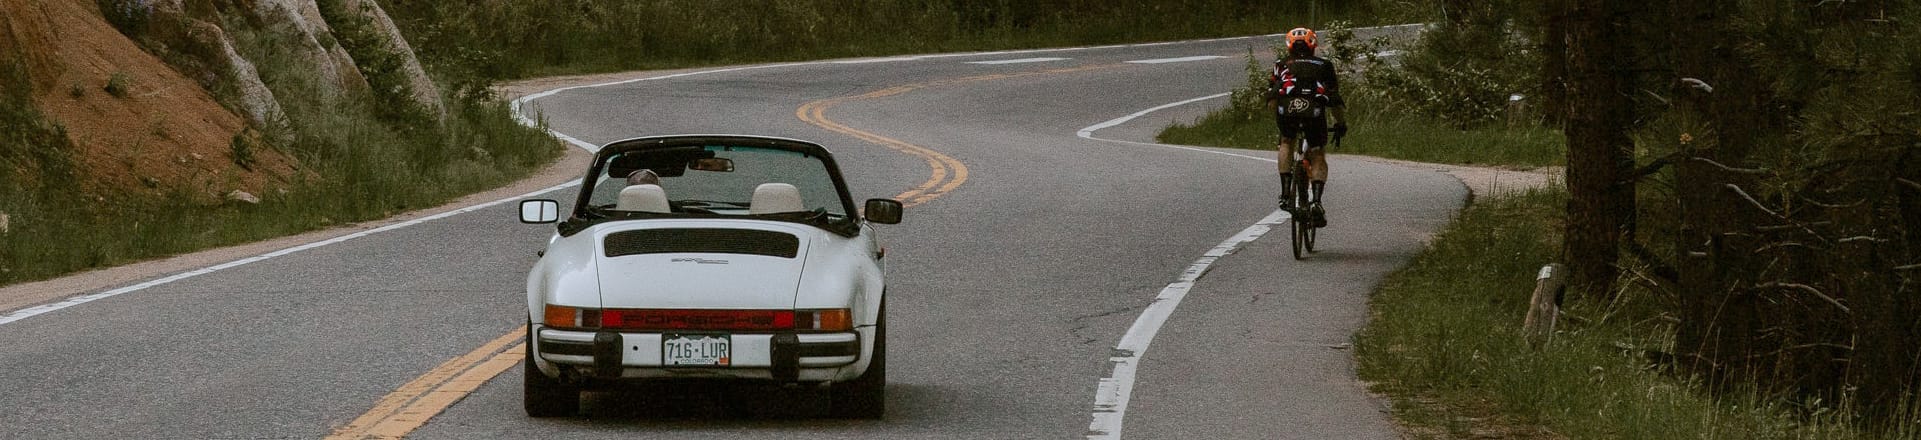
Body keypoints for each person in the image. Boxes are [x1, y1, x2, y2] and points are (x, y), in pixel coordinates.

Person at [1265, 27, 1348, 226]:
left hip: (1288, 110)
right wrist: (1340, 123)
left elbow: (1272, 100)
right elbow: (1334, 100)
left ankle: (1286, 194)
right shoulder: (1324, 65)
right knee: (1317, 152)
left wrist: (1280, 115)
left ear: (1289, 45)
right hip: (1314, 112)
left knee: (1286, 142)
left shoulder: (1281, 64)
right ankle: (1316, 202)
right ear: (1313, 44)